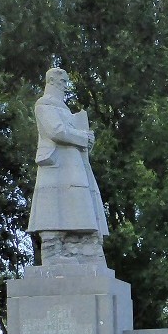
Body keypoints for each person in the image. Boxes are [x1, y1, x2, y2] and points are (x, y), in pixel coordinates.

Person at [27, 67, 109, 265]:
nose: (66, 86)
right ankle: (55, 252)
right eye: (63, 82)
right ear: (53, 81)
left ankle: (85, 250)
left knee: (80, 207)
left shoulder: (63, 109)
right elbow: (56, 131)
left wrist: (86, 137)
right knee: (55, 210)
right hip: (55, 168)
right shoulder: (43, 104)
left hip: (75, 167)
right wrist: (82, 137)